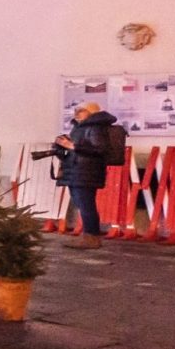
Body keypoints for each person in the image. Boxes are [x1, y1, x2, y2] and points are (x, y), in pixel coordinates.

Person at [54, 102, 119, 248]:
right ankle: (88, 236)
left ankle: (92, 237)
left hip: (87, 171)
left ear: (91, 112)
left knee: (86, 204)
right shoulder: (79, 128)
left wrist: (73, 146)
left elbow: (100, 149)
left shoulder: (95, 127)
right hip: (78, 170)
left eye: (81, 110)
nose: (77, 112)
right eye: (76, 109)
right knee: (81, 204)